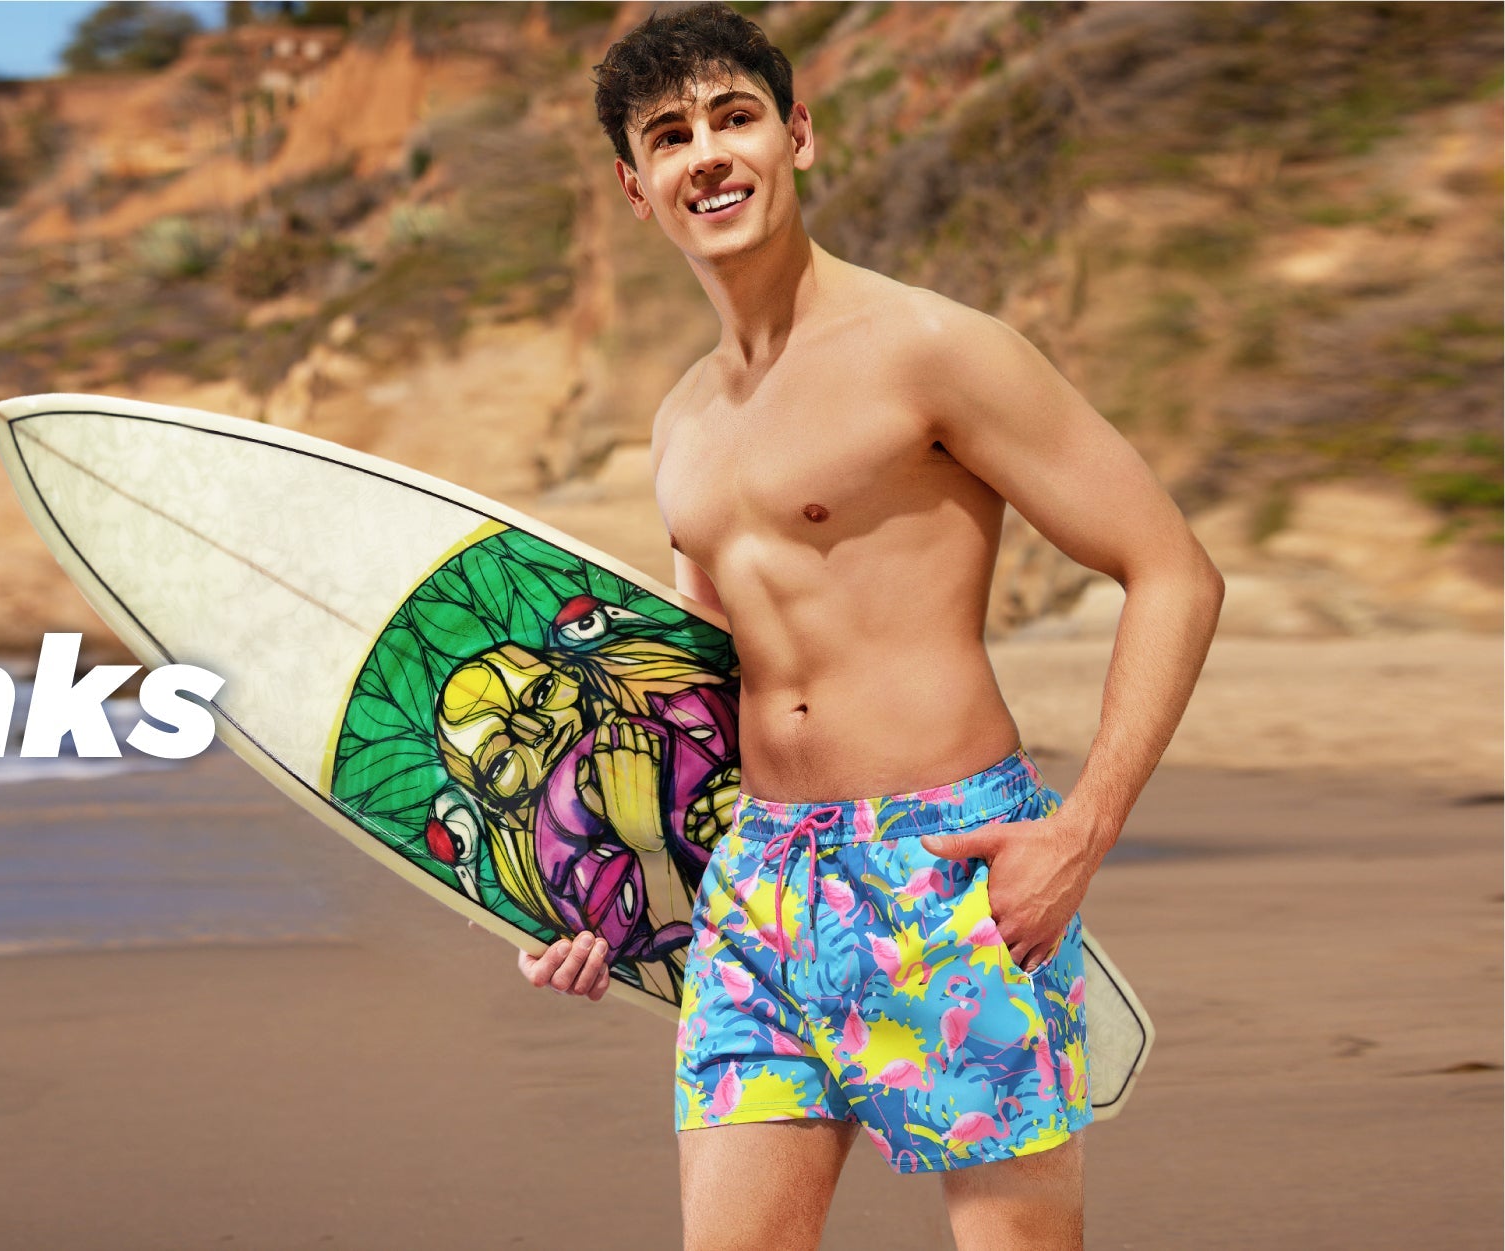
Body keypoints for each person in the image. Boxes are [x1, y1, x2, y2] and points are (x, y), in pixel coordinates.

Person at [509, 6, 1224, 1250]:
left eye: (735, 118)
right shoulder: (681, 424)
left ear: (799, 135)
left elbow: (1172, 570)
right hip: (756, 883)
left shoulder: (931, 351)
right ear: (636, 189)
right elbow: (699, 696)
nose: (708, 155)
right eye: (670, 137)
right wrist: (607, 900)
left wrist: (1080, 832)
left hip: (942, 865)